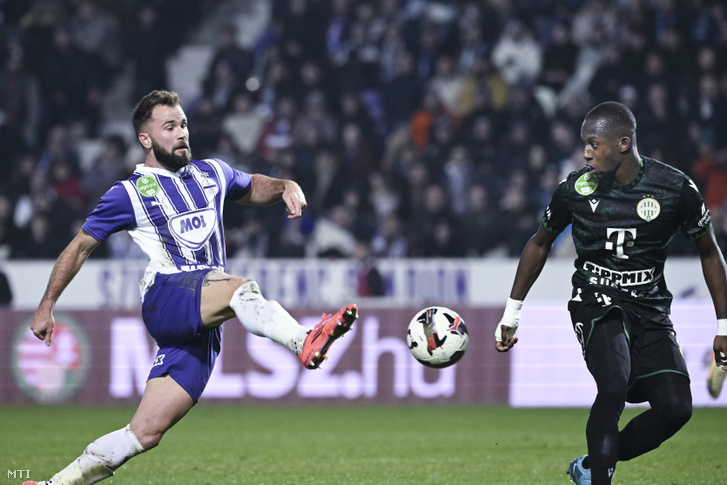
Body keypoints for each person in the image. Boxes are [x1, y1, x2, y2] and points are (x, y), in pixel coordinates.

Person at [22, 90, 359, 485]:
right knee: (241, 289)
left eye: (182, 123)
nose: (181, 132)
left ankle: (52, 484)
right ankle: (303, 340)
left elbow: (252, 185)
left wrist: (284, 184)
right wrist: (47, 305)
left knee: (144, 433)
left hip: (201, 320)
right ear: (145, 139)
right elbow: (79, 247)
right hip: (166, 294)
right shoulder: (129, 192)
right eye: (169, 127)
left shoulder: (211, 173)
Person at [493, 101, 727, 485]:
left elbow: (710, 252)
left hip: (649, 308)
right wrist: (512, 311)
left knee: (676, 408)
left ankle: (592, 465)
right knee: (614, 383)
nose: (585, 153)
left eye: (592, 144)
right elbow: (539, 243)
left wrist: (724, 325)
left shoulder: (674, 189)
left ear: (622, 143)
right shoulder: (576, 190)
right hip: (594, 300)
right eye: (584, 144)